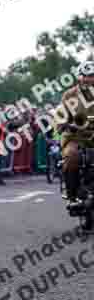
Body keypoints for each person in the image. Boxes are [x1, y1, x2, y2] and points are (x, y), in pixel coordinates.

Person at [59, 61, 94, 220]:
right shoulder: (69, 95)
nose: (88, 79)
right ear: (79, 77)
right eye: (85, 76)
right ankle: (72, 196)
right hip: (76, 137)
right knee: (71, 156)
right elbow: (61, 115)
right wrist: (64, 124)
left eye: (91, 76)